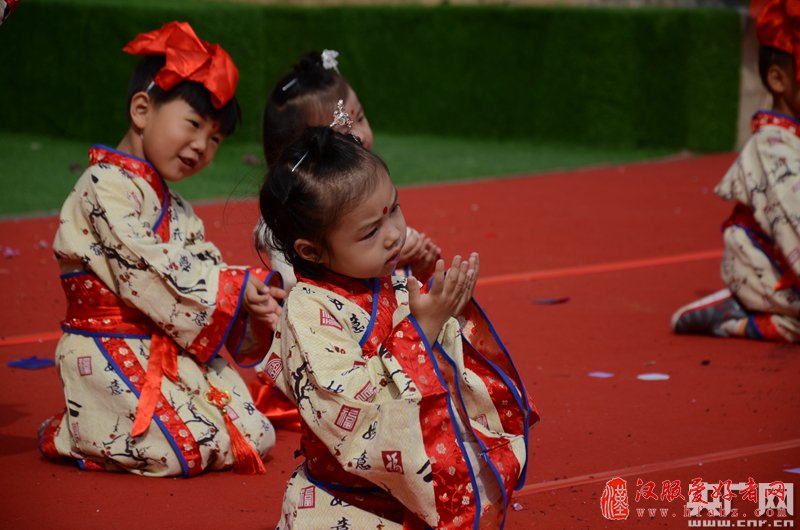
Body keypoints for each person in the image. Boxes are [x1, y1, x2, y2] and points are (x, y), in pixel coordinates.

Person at [38, 21, 286, 477]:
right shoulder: (101, 185)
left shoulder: (179, 207)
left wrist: (251, 300)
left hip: (166, 342)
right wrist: (231, 288)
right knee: (177, 452)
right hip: (108, 345)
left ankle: (99, 426)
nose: (201, 146)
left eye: (215, 139)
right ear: (141, 110)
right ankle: (74, 430)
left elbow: (201, 261)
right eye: (193, 125)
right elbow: (146, 265)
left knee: (254, 435)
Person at [256, 127, 537, 529]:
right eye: (370, 232)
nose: (393, 236)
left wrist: (448, 313)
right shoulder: (306, 311)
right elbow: (348, 406)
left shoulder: (380, 278)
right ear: (311, 251)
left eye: (395, 209)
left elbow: (435, 374)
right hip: (348, 504)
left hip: (411, 484)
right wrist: (422, 327)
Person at [671, 0, 800, 343]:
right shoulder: (772, 147)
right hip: (765, 271)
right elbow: (794, 229)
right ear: (778, 80)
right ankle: (734, 313)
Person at [258, 49, 440, 291]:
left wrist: (414, 266)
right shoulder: (289, 229)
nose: (362, 136)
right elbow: (294, 287)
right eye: (343, 132)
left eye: (361, 118)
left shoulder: (369, 185)